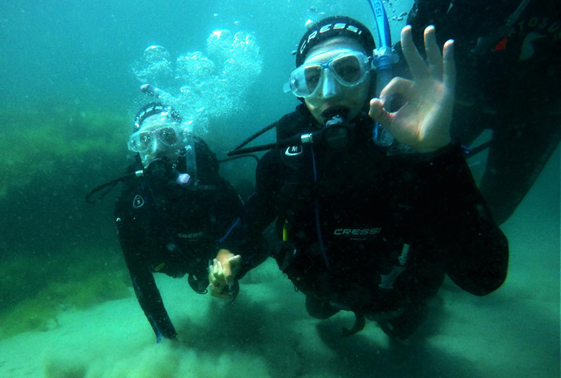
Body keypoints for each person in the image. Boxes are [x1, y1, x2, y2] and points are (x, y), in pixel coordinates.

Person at [211, 16, 509, 341]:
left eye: (348, 70)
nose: (329, 91)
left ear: (374, 74)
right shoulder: (283, 162)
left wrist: (437, 152)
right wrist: (227, 252)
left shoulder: (409, 151)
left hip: (394, 292)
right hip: (327, 287)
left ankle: (417, 308)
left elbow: (485, 276)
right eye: (311, 78)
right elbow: (257, 212)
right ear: (299, 91)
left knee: (404, 331)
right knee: (318, 310)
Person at [115, 102, 267, 342]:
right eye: (144, 140)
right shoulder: (130, 201)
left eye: (167, 136)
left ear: (182, 139)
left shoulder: (211, 184)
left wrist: (234, 267)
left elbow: (257, 243)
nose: (156, 149)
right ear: (137, 150)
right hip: (174, 262)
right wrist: (165, 337)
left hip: (211, 251)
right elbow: (139, 276)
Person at [405, 0, 561, 225]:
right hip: (459, 97)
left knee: (493, 212)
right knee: (412, 183)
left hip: (536, 114)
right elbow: (417, 33)